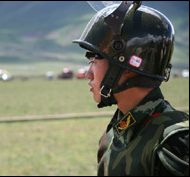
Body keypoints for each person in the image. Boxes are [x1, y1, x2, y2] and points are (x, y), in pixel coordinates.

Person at [73, 1, 189, 176]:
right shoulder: (113, 134)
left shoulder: (175, 142)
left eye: (94, 62)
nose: (88, 74)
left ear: (127, 68)